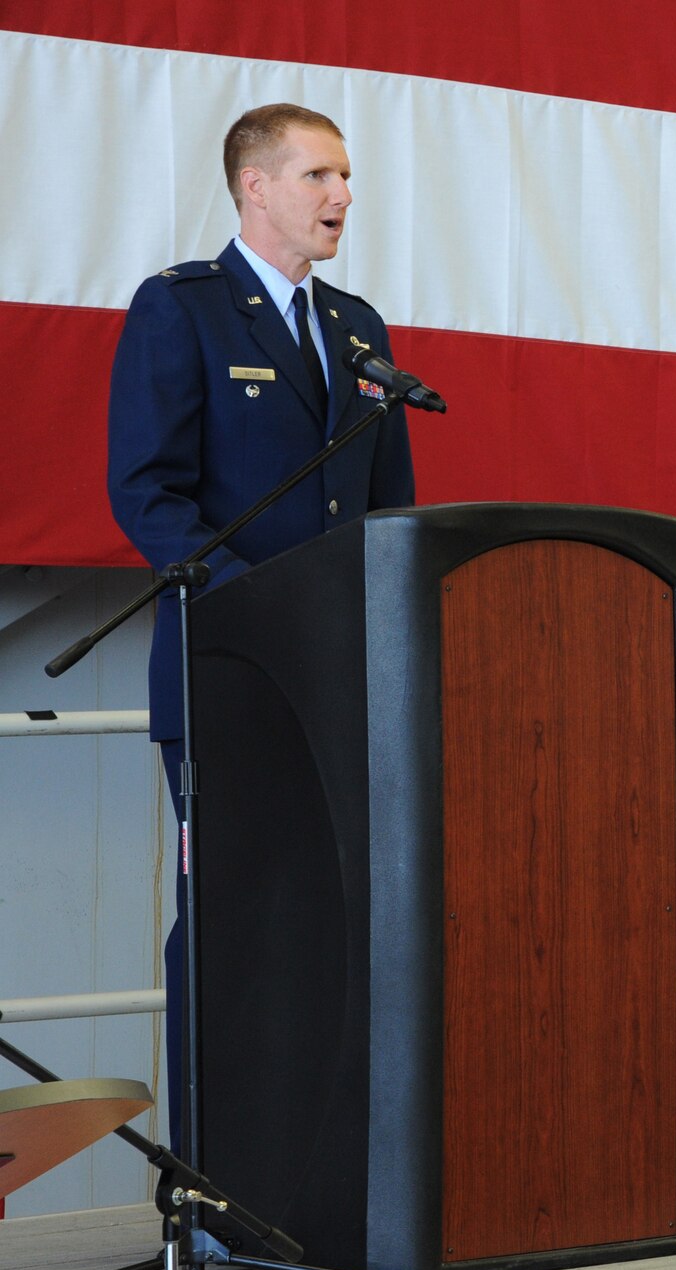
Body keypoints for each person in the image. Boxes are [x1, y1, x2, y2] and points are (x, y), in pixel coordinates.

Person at [106, 104, 418, 1145]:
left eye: (345, 175)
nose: (342, 196)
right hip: (230, 669)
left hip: (342, 674)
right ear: (256, 187)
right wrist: (259, 600)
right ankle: (214, 1175)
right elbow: (149, 495)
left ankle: (314, 1165)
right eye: (321, 175)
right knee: (234, 921)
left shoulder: (358, 327)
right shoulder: (182, 309)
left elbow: (389, 516)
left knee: (332, 920)